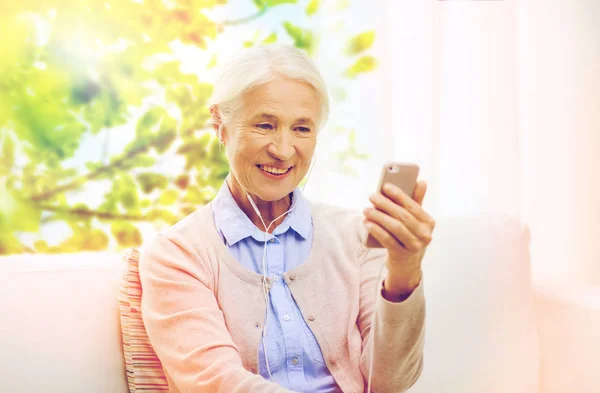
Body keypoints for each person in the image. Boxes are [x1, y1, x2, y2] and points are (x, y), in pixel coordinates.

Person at [139, 44, 435, 393]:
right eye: (265, 125)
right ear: (220, 125)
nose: (282, 150)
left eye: (302, 129)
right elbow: (217, 383)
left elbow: (392, 382)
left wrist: (404, 272)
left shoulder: (357, 238)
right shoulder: (177, 254)